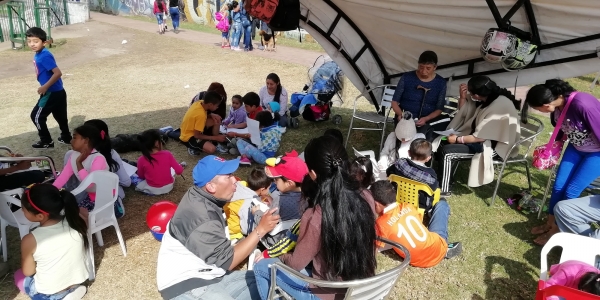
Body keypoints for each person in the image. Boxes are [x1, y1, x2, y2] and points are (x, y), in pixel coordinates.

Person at [253, 136, 377, 300]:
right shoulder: (367, 196)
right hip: (363, 288)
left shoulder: (317, 215)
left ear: (312, 174)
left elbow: (296, 264)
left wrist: (279, 256)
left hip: (328, 293)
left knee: (261, 267)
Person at [156, 155, 280, 299]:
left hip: (211, 275)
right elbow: (228, 261)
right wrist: (261, 229)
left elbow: (245, 192)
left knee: (270, 282)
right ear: (211, 186)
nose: (235, 179)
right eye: (228, 176)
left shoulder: (200, 194)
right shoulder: (202, 218)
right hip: (187, 285)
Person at [527, 79, 600, 245]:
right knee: (559, 185)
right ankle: (549, 224)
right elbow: (561, 128)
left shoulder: (583, 104)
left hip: (596, 154)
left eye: (538, 108)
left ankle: (556, 232)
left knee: (571, 191)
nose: (539, 111)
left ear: (546, 103)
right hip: (575, 148)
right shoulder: (557, 107)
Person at [433, 75, 521, 196]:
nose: (471, 96)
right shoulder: (489, 98)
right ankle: (439, 176)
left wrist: (458, 139)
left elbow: (480, 137)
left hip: (494, 147)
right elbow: (467, 112)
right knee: (443, 142)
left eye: (471, 93)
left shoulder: (499, 105)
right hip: (483, 139)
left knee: (448, 152)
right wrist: (463, 98)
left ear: (477, 95)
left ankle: (444, 188)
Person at [14, 184, 89, 299]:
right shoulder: (76, 220)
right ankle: (72, 291)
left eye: (24, 210)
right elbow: (83, 211)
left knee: (18, 275)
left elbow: (28, 271)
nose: (22, 212)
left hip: (49, 291)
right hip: (77, 280)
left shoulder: (30, 240)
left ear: (40, 216)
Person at [370, 180, 462, 268]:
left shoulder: (381, 224)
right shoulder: (408, 206)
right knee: (441, 205)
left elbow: (374, 249)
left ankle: (445, 248)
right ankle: (445, 248)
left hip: (419, 261)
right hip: (437, 245)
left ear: (376, 204)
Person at [53, 124, 117, 214]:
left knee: (72, 215)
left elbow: (90, 185)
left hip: (105, 200)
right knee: (65, 212)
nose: (71, 141)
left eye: (75, 138)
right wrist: (51, 189)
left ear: (86, 140)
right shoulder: (74, 155)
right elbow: (64, 176)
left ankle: (117, 208)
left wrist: (79, 164)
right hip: (91, 196)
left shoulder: (98, 159)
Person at [26, 27, 71, 149]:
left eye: (35, 41)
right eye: (29, 41)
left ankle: (46, 141)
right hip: (59, 91)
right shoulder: (42, 53)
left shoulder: (43, 56)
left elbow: (57, 73)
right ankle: (66, 137)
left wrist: (45, 86)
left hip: (51, 92)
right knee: (60, 116)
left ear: (43, 42)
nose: (32, 44)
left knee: (36, 116)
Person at [390, 50, 448, 140]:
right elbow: (394, 101)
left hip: (428, 120)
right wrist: (401, 115)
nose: (423, 71)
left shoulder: (441, 83)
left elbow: (439, 108)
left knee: (422, 142)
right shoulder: (407, 77)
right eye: (421, 67)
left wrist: (426, 119)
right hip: (405, 117)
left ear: (435, 67)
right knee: (404, 138)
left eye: (428, 68)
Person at [82, 119, 130, 202]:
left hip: (81, 197)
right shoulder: (111, 154)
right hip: (104, 197)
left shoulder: (72, 154)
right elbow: (126, 182)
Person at [387, 139, 438, 213]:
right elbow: (433, 189)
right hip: (420, 205)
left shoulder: (398, 164)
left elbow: (388, 173)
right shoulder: (430, 176)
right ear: (428, 158)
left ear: (409, 153)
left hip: (396, 198)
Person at [135, 129, 184, 195]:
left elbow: (141, 176)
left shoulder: (141, 159)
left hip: (152, 189)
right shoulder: (167, 154)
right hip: (168, 187)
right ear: (157, 143)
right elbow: (179, 171)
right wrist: (180, 166)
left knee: (138, 183)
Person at [179, 91, 227, 155]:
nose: (217, 107)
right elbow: (197, 135)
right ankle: (192, 147)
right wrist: (215, 138)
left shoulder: (200, 102)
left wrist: (211, 115)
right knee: (211, 149)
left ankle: (215, 141)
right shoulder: (201, 115)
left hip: (192, 128)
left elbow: (198, 114)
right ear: (210, 105)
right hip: (189, 136)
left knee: (216, 119)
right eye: (216, 106)